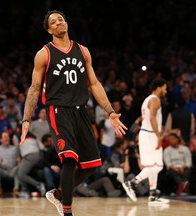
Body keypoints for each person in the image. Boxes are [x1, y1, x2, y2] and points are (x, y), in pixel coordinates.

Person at [19, 10, 127, 216]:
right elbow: (34, 88)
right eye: (53, 21)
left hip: (81, 111)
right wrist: (26, 118)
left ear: (66, 23)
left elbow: (94, 84)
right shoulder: (44, 54)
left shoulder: (83, 50)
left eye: (61, 18)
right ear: (49, 30)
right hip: (58, 111)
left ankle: (59, 194)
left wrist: (110, 112)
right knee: (69, 158)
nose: (59, 22)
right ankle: (67, 211)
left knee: (92, 164)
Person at [122, 79, 170, 204]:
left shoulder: (147, 99)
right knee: (158, 166)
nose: (166, 90)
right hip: (150, 135)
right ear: (158, 87)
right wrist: (159, 136)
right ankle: (132, 183)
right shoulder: (155, 99)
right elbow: (152, 117)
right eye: (164, 87)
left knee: (152, 165)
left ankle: (152, 195)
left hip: (146, 133)